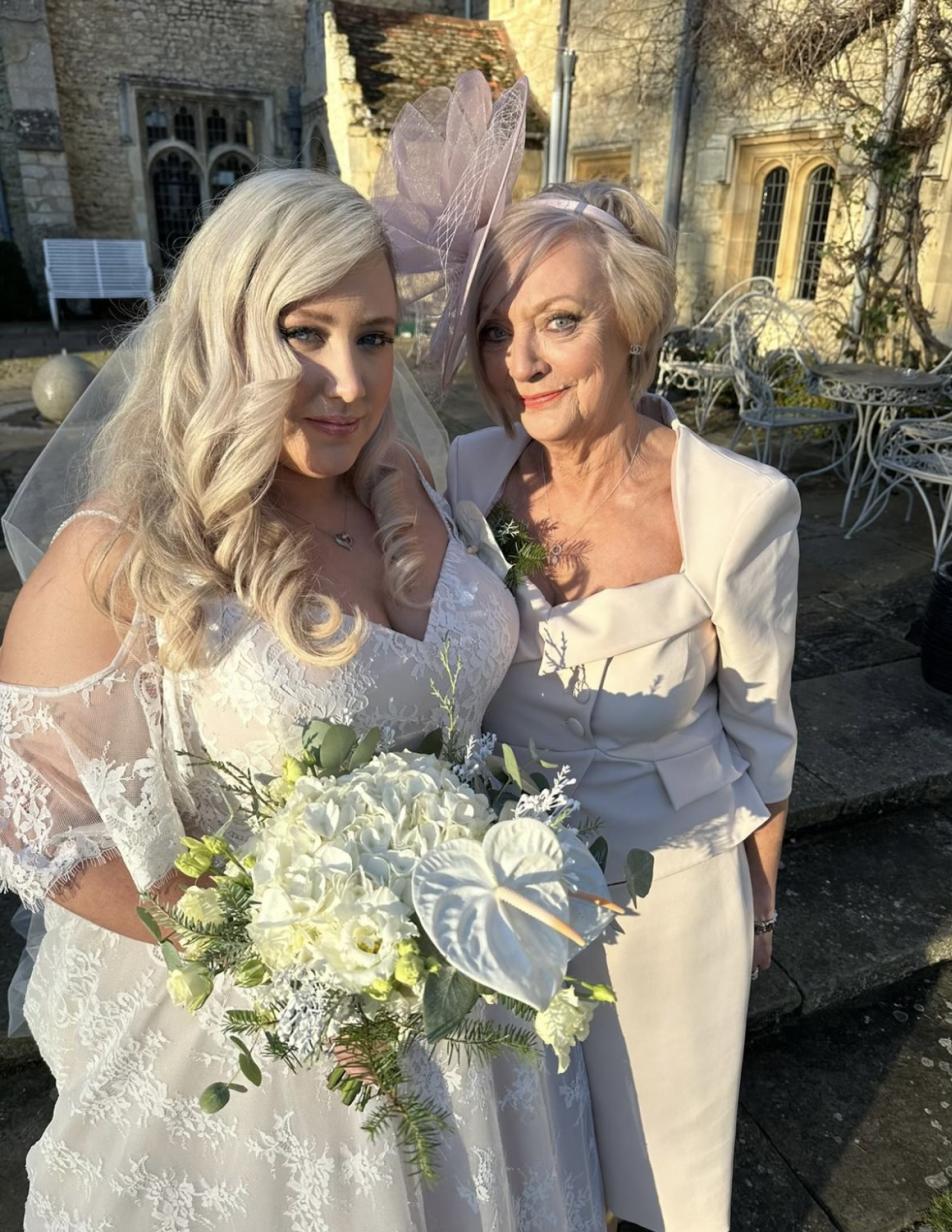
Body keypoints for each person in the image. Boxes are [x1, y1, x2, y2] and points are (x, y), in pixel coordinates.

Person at [0, 169, 605, 1231]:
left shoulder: (409, 482)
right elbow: (26, 808)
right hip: (278, 1062)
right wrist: (267, 939)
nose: (350, 381)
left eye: (374, 337)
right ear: (224, 332)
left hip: (476, 1024)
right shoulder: (129, 553)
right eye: (303, 333)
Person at [446, 180, 800, 1232]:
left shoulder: (742, 505)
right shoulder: (465, 472)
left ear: (633, 321)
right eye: (498, 327)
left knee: (658, 1178)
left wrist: (764, 904)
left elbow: (765, 732)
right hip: (501, 890)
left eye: (561, 319)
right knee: (527, 1169)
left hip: (672, 893)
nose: (524, 361)